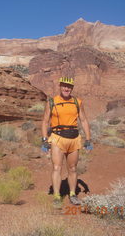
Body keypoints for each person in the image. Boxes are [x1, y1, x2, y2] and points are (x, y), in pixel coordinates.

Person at [41, 76, 93, 208]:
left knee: (73, 168)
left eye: (69, 86)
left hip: (74, 139)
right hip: (57, 138)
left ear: (72, 88)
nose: (66, 88)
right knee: (57, 167)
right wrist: (44, 139)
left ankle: (72, 194)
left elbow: (84, 120)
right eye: (64, 86)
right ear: (60, 86)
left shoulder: (77, 102)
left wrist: (88, 139)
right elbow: (45, 121)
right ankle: (57, 196)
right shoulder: (52, 101)